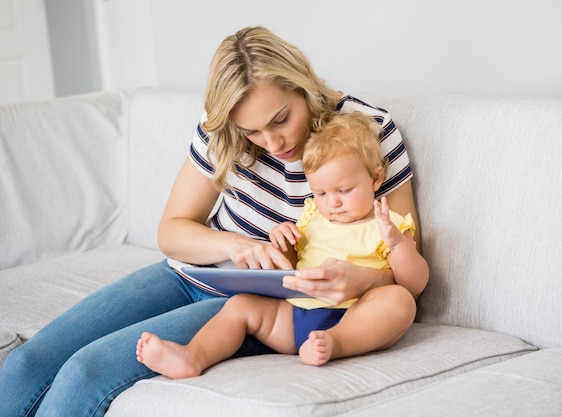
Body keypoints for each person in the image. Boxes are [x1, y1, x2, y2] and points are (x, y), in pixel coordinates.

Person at [0, 26, 428, 417]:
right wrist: (235, 246)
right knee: (25, 364)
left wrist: (359, 280)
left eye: (281, 119)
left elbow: (403, 264)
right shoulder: (221, 130)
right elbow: (172, 229)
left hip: (255, 303)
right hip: (194, 272)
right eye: (252, 132)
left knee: (85, 373)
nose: (272, 141)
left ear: (304, 86)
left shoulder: (367, 130)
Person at [135, 112, 425, 377]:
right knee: (240, 306)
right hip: (296, 317)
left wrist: (398, 246)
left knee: (399, 302)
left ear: (375, 178)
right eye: (321, 192)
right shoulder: (312, 217)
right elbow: (291, 268)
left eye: (344, 190)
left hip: (356, 318)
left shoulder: (389, 224)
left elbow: (414, 284)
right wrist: (283, 242)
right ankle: (193, 356)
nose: (333, 202)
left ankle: (336, 343)